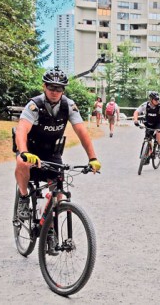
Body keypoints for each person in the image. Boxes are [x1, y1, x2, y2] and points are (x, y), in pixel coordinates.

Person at [14, 67, 101, 253]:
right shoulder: (34, 105)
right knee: (21, 163)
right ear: (44, 86)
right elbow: (21, 129)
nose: (55, 91)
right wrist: (23, 151)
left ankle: (50, 228)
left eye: (59, 88)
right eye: (51, 87)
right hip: (31, 151)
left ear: (64, 90)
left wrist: (92, 158)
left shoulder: (68, 106)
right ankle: (23, 197)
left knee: (58, 191)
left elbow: (81, 131)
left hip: (52, 154)